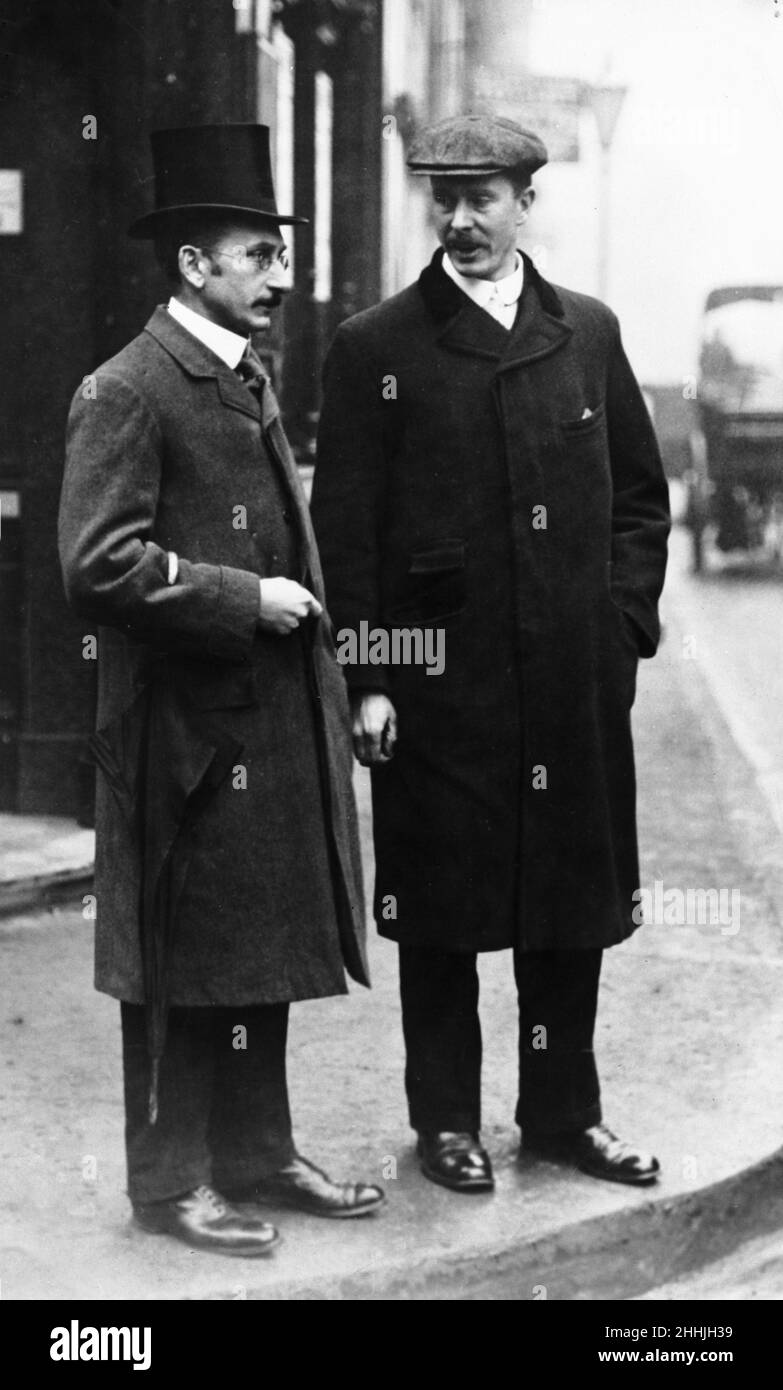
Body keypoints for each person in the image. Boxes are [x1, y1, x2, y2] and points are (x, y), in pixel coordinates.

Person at [311, 114, 670, 1194]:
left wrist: (621, 634)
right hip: (439, 689)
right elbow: (348, 529)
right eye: (444, 198)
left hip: (570, 686)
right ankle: (447, 1122)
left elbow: (641, 504)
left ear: (527, 201)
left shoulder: (590, 335)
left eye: (484, 196)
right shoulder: (376, 349)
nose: (461, 219)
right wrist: (370, 676)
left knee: (568, 911)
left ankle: (564, 1115)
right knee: (444, 914)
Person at [59, 124, 384, 1256]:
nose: (279, 278)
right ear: (193, 264)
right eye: (258, 255)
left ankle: (257, 1152)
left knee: (259, 951)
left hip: (261, 725)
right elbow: (97, 564)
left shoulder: (239, 375)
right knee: (181, 964)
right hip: (181, 737)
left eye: (279, 255)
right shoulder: (131, 389)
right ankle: (168, 1184)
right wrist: (246, 599)